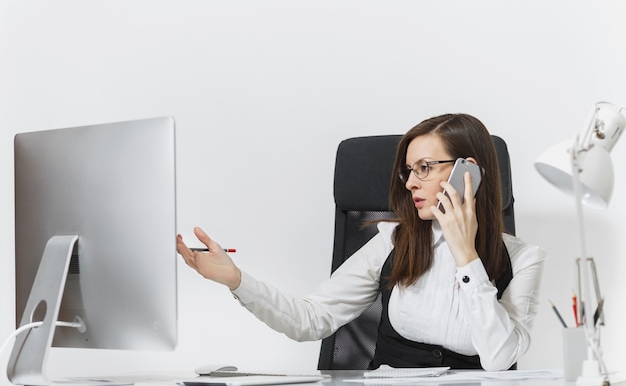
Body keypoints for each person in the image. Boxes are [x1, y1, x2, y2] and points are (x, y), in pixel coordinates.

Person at [177, 113, 546, 371]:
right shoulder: (394, 242)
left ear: (470, 171)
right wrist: (237, 280)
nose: (410, 183)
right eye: (408, 170)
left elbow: (499, 359)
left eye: (424, 168)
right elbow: (311, 318)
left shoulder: (523, 259)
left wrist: (466, 257)